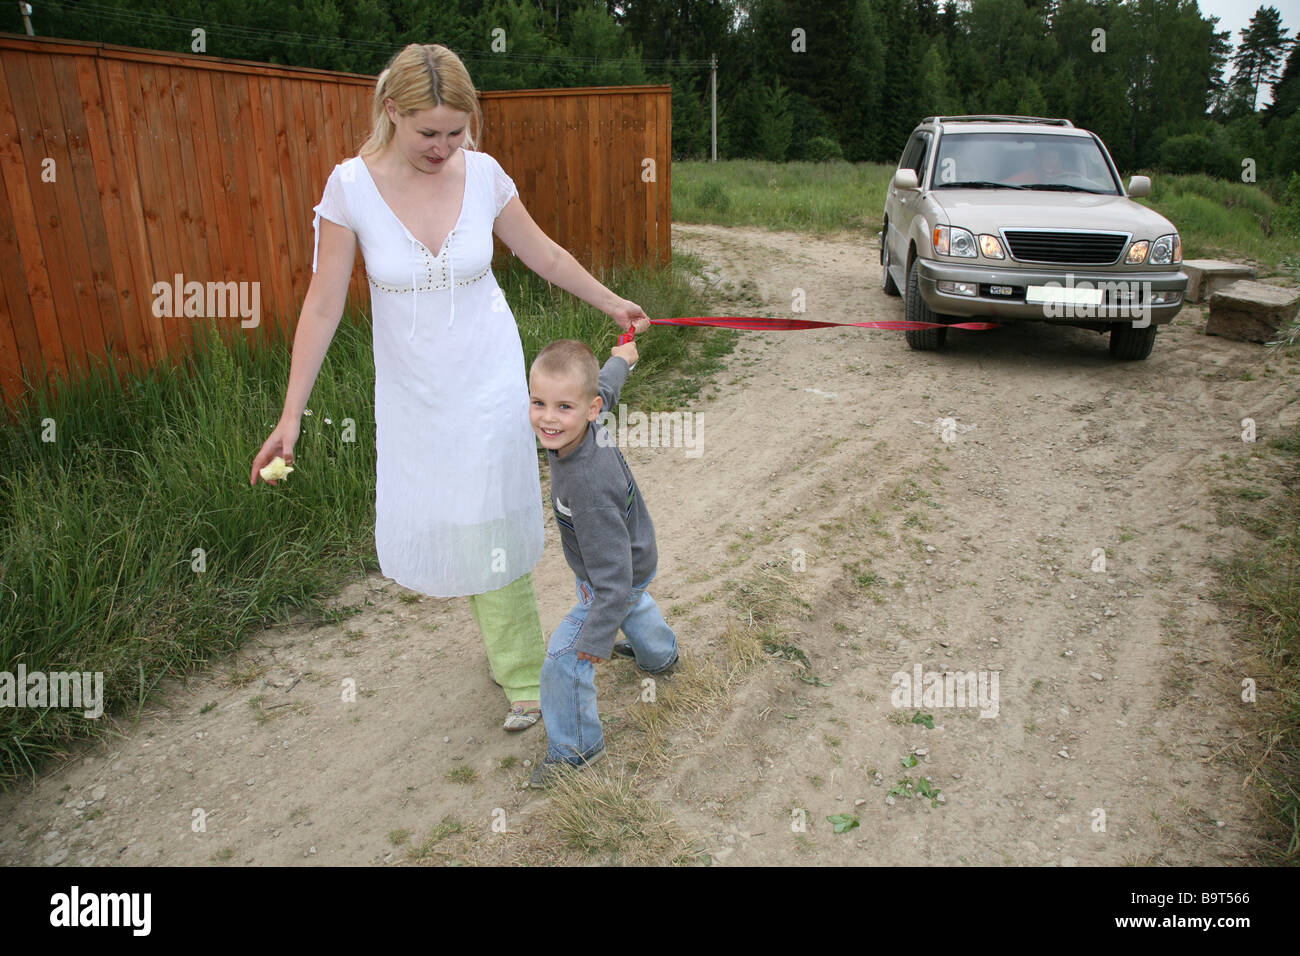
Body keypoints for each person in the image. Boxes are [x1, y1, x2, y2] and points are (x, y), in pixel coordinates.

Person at [248, 43, 650, 732]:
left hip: (491, 376)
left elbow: (542, 252)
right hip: (417, 394)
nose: (442, 148)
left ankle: (530, 673)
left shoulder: (486, 175)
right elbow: (322, 306)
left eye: (455, 132)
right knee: (461, 520)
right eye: (427, 132)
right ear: (391, 113)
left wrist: (611, 302)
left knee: (493, 513)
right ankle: (548, 640)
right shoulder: (350, 188)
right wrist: (292, 416)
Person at [525, 338, 679, 788]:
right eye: (538, 402)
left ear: (588, 411)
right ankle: (662, 656)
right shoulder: (591, 419)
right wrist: (623, 356)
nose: (549, 418)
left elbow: (613, 581)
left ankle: (577, 749)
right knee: (634, 604)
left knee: (562, 658)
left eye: (562, 407)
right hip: (635, 556)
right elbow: (607, 387)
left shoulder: (588, 486)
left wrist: (594, 637)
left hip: (614, 572)